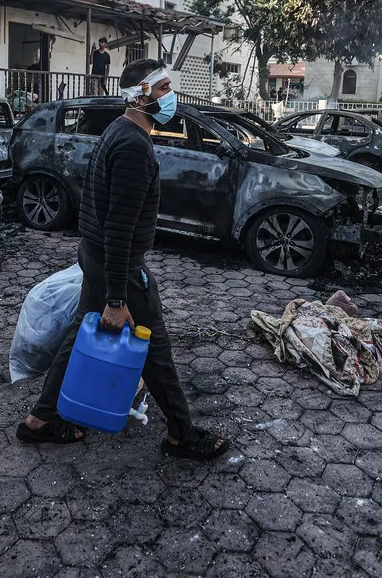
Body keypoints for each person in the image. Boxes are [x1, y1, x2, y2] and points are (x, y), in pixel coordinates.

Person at [17, 58, 230, 460]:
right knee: (155, 347)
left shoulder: (120, 131)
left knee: (81, 329)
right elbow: (119, 225)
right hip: (118, 263)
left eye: (169, 87)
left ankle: (42, 418)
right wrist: (117, 297)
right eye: (163, 88)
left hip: (99, 257)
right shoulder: (133, 144)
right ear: (140, 95)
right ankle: (182, 435)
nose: (171, 97)